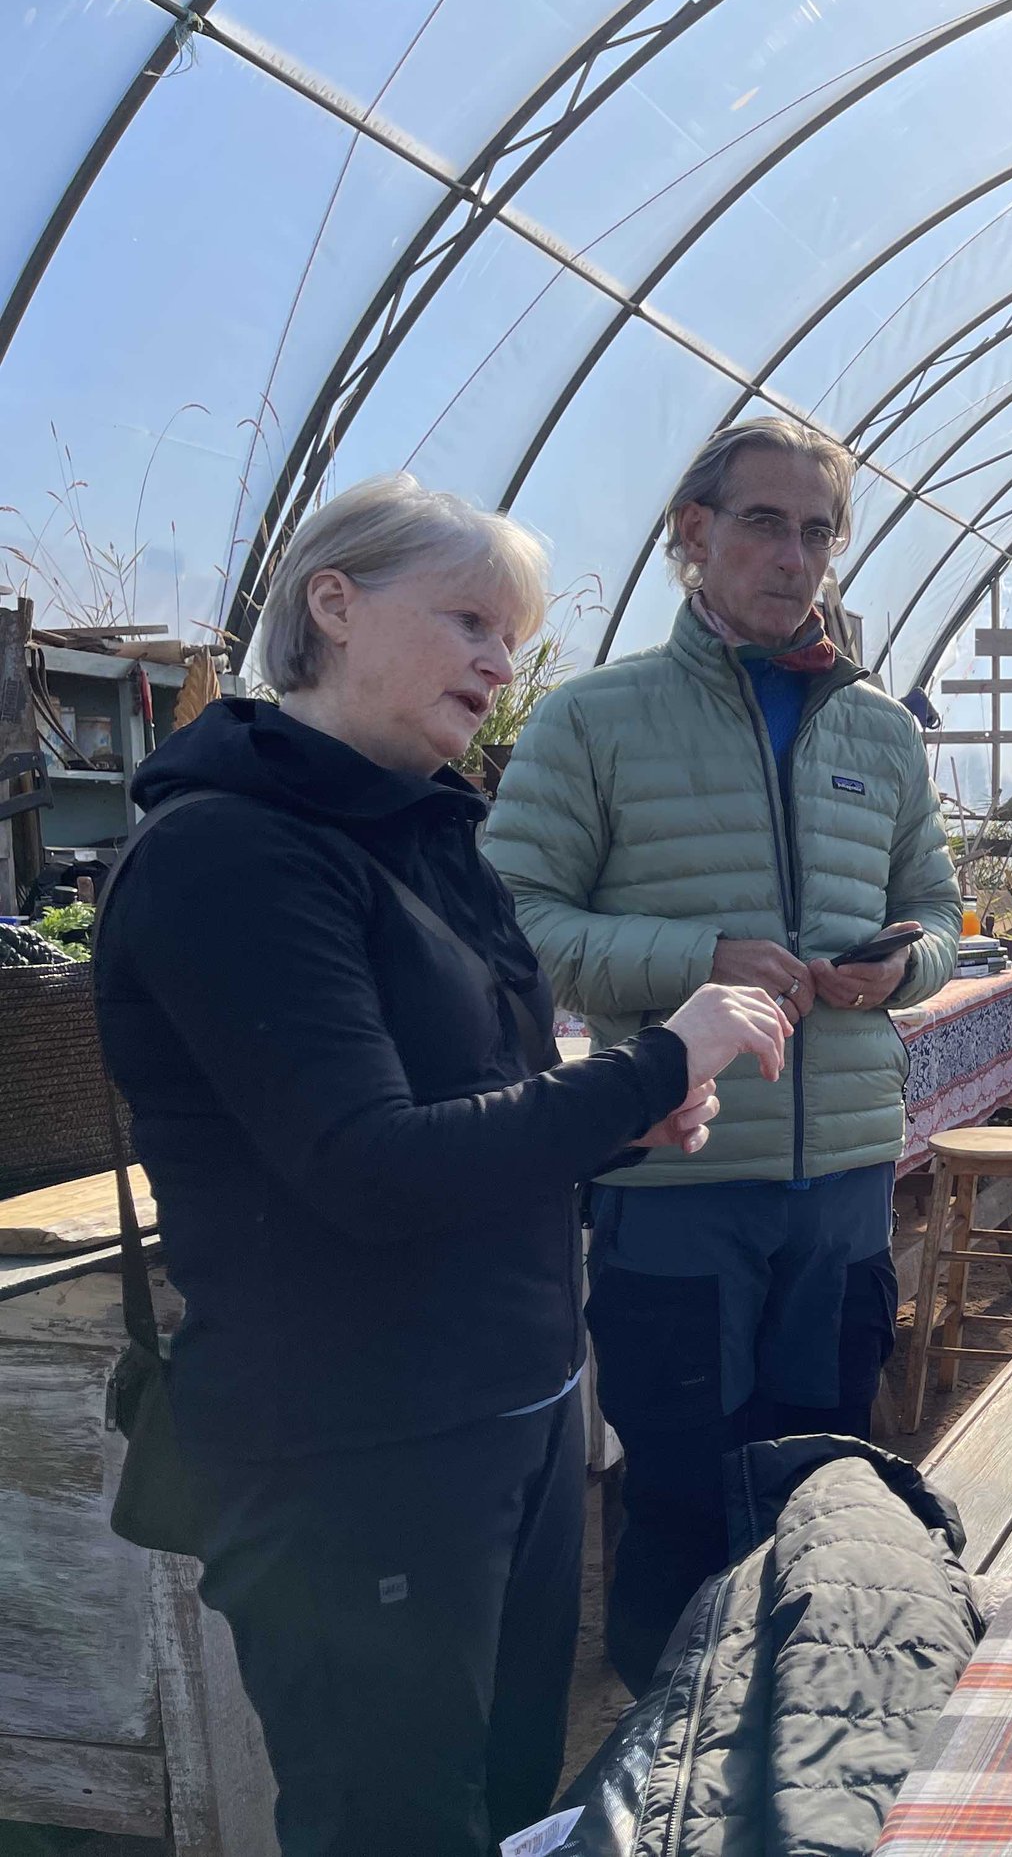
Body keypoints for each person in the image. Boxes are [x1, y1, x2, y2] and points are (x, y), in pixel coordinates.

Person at [93, 473, 789, 1856]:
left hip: (511, 1410)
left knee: (512, 1794)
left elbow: (483, 1107)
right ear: (333, 605)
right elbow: (369, 1165)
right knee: (395, 1818)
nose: (497, 659)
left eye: (513, 634)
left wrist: (616, 1122)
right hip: (357, 1450)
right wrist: (653, 1066)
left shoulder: (426, 833)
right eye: (468, 615)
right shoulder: (230, 855)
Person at [483, 417, 962, 1692]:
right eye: (763, 521)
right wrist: (700, 953)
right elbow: (509, 923)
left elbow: (944, 917)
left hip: (848, 1181)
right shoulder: (596, 720)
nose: (794, 554)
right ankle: (664, 1771)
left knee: (826, 1488)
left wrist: (896, 969)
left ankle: (801, 1756)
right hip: (677, 1185)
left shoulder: (880, 734)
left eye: (818, 530)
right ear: (693, 535)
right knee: (685, 1505)